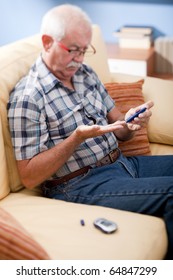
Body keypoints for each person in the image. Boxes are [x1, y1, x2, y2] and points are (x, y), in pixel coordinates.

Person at [7, 4, 173, 259]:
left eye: (85, 50)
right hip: (79, 185)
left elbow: (119, 128)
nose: (80, 59)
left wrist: (130, 124)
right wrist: (76, 138)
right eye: (73, 50)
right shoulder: (28, 97)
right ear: (48, 42)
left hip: (122, 164)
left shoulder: (85, 74)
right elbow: (29, 177)